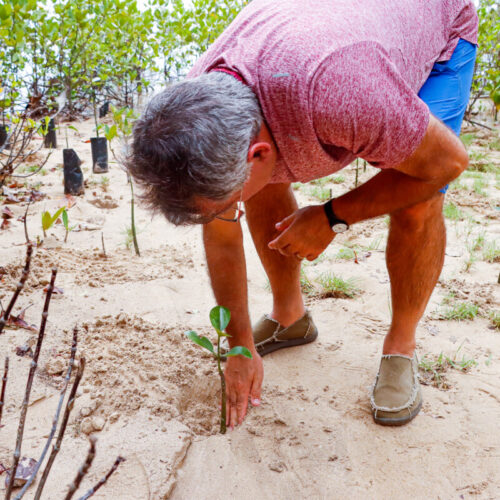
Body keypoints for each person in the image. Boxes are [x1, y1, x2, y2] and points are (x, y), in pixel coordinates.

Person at [127, 0, 478, 428]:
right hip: (328, 38)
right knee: (255, 186)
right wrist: (239, 344)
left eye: (221, 206)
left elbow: (448, 163)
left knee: (419, 198)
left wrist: (332, 216)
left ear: (258, 153)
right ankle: (289, 317)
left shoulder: (341, 94)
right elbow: (220, 233)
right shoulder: (203, 100)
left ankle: (400, 346)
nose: (222, 215)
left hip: (434, 27)